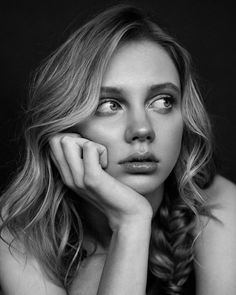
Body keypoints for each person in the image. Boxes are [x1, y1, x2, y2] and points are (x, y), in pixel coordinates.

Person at [0, 4, 235, 295]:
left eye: (162, 101)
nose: (142, 129)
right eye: (110, 105)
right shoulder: (19, 233)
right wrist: (130, 223)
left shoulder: (218, 204)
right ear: (68, 126)